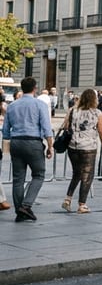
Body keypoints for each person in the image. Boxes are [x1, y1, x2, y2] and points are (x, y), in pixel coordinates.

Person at [3, 77, 54, 221]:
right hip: (33, 142)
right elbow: (46, 128)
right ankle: (26, 205)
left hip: (16, 142)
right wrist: (50, 146)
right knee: (39, 174)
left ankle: (20, 211)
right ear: (35, 88)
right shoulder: (39, 104)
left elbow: (6, 131)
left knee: (18, 178)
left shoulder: (12, 106)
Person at [60, 88, 102, 214]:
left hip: (73, 146)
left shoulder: (73, 110)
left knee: (77, 173)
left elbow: (65, 126)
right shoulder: (97, 113)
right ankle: (82, 204)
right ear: (94, 99)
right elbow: (101, 131)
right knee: (87, 175)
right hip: (88, 147)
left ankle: (68, 199)